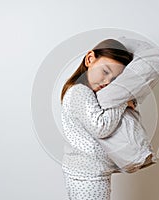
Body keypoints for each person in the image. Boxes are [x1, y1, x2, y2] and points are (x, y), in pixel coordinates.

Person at [60, 39, 134, 200]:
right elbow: (101, 127)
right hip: (88, 176)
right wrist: (122, 102)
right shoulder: (80, 91)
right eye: (105, 71)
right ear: (89, 59)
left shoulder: (87, 93)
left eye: (114, 79)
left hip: (87, 173)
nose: (107, 82)